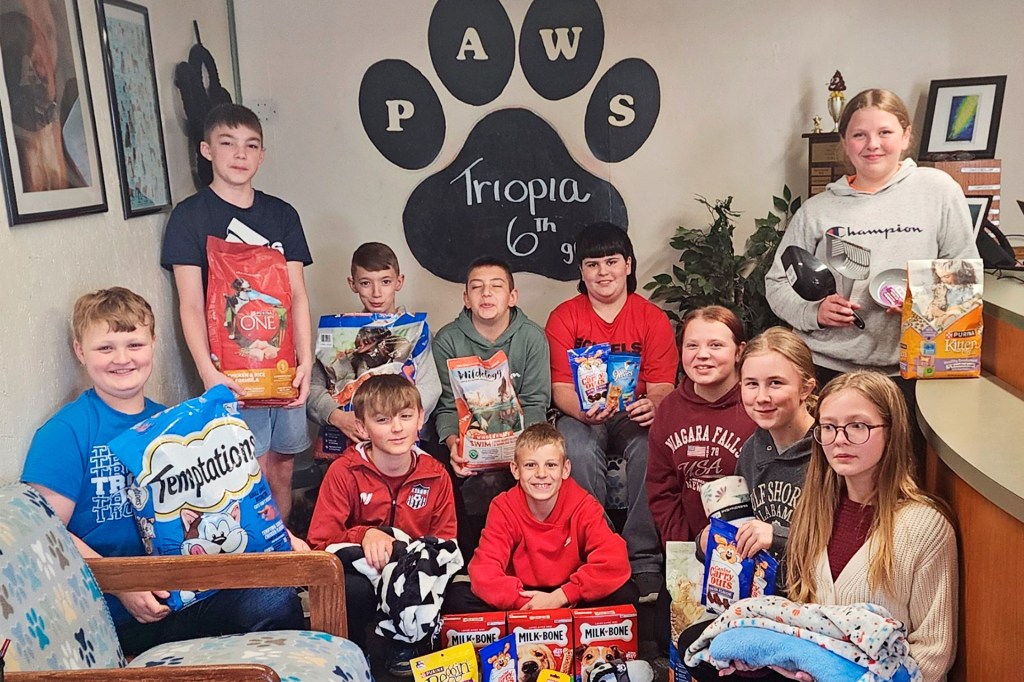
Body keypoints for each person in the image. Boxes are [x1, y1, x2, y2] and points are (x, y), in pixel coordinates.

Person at [21, 288, 303, 656]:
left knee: (282, 590)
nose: (122, 359)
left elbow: (212, 507)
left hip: (185, 588)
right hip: (120, 612)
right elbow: (44, 531)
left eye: (134, 345)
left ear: (153, 344)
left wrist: (277, 538)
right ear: (80, 351)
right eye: (106, 348)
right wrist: (120, 584)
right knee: (270, 603)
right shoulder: (66, 431)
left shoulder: (171, 423)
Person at [684, 372, 957, 682]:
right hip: (811, 670)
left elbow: (933, 652)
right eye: (828, 427)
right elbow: (806, 619)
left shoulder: (924, 525)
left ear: (891, 432)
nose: (840, 439)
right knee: (706, 649)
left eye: (858, 426)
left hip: (880, 676)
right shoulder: (815, 511)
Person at [764, 89, 979, 448]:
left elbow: (965, 274)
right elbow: (776, 283)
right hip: (830, 369)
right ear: (845, 143)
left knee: (901, 477)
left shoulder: (937, 191)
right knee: (833, 479)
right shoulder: (818, 210)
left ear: (906, 136)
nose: (872, 145)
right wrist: (814, 312)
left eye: (885, 133)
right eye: (859, 135)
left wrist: (922, 305)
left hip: (910, 372)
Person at [160, 103, 313, 524]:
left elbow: (297, 294)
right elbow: (189, 304)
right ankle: (256, 571)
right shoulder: (190, 218)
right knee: (249, 471)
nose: (240, 154)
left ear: (262, 155)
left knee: (282, 466)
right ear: (207, 150)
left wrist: (306, 361)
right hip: (229, 372)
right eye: (228, 144)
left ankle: (283, 566)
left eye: (251, 145)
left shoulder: (282, 215)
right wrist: (208, 375)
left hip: (282, 367)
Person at [546, 222, 678, 600]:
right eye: (592, 264)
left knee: (652, 447)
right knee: (574, 446)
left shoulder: (651, 318)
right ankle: (599, 548)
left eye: (611, 262)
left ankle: (643, 557)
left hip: (631, 414)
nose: (603, 272)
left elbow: (662, 386)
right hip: (582, 413)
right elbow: (560, 389)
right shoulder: (564, 317)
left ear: (628, 265)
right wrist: (585, 413)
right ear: (581, 272)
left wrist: (652, 405)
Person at [306, 374, 457, 674]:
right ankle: (354, 657)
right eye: (383, 420)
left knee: (456, 592)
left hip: (412, 578)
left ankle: (413, 646)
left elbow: (446, 545)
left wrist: (405, 556)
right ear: (362, 427)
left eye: (405, 416)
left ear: (420, 418)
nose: (397, 428)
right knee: (350, 588)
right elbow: (319, 543)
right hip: (362, 576)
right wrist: (366, 534)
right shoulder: (343, 471)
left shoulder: (436, 474)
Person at [646, 306, 756, 652]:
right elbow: (661, 489)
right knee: (671, 641)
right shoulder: (669, 409)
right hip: (692, 552)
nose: (702, 355)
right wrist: (687, 550)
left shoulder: (757, 406)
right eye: (692, 346)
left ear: (740, 351)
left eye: (716, 345)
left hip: (749, 554)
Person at [447, 423, 636, 613]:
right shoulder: (503, 507)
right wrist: (529, 604)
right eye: (530, 465)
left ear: (565, 469)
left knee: (625, 594)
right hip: (522, 595)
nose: (541, 474)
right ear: (515, 470)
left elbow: (615, 561)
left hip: (568, 593)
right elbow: (484, 570)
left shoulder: (584, 505)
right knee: (457, 599)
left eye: (551, 465)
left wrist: (560, 597)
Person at [432, 256, 550, 559]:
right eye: (477, 288)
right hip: (468, 440)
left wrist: (520, 446)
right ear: (466, 298)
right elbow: (445, 407)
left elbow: (537, 402)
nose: (486, 294)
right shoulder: (448, 340)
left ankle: (530, 555)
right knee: (442, 467)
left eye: (496, 287)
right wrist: (453, 443)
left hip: (520, 439)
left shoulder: (532, 337)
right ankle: (464, 560)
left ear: (512, 297)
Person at [701, 327, 817, 583]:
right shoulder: (752, 448)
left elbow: (844, 544)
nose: (762, 397)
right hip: (761, 590)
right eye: (752, 384)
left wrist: (777, 536)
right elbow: (745, 526)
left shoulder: (830, 449)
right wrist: (714, 538)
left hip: (815, 593)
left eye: (776, 383)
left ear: (805, 388)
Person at [306, 242, 441, 455]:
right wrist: (337, 417)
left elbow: (431, 388)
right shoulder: (337, 335)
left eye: (385, 282)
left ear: (399, 282)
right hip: (347, 444)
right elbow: (312, 389)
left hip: (404, 444)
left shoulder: (417, 332)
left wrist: (392, 423)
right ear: (353, 284)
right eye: (366, 283)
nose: (376, 293)